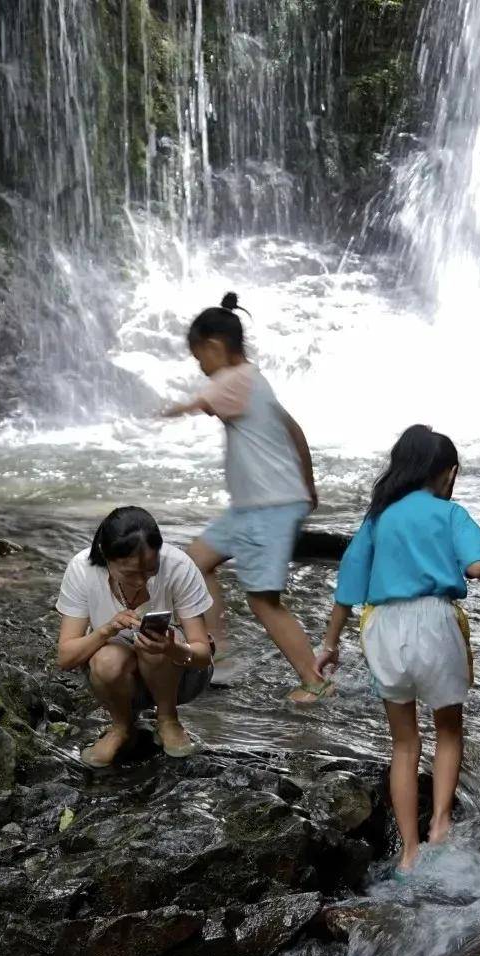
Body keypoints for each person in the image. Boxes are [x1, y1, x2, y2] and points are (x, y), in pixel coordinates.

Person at [316, 425, 480, 874]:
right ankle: (440, 822)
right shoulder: (448, 514)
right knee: (448, 729)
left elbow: (347, 588)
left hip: (383, 628)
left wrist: (328, 646)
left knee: (404, 744)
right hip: (434, 622)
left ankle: (408, 850)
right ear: (447, 473)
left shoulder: (378, 517)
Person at [163, 291, 329, 705]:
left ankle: (315, 679)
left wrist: (162, 411)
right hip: (254, 506)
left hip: (267, 507)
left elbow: (198, 403)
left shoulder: (233, 381)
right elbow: (295, 430)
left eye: (199, 356)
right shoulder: (257, 382)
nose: (200, 367)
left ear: (215, 347)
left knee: (263, 600)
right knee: (196, 562)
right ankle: (218, 653)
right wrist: (307, 486)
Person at [56, 507, 214, 766]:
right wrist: (107, 629)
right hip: (116, 682)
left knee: (155, 644)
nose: (141, 581)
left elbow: (203, 654)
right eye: (130, 573)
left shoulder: (178, 565)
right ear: (107, 557)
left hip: (182, 678)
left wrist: (172, 648)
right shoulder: (82, 569)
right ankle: (122, 726)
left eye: (150, 570)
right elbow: (65, 658)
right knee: (107, 658)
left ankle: (168, 719)